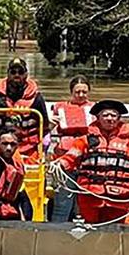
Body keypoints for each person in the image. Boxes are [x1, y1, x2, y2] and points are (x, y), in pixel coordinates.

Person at [51, 99, 129, 224]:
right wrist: (59, 164)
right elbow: (70, 158)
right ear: (98, 117)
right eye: (105, 115)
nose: (110, 119)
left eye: (113, 115)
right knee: (90, 232)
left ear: (119, 118)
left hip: (118, 201)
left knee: (116, 233)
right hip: (90, 199)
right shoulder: (85, 140)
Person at [0, 57, 50, 162]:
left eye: (20, 72)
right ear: (8, 74)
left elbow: (44, 125)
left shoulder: (36, 98)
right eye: (13, 72)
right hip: (0, 147)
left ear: (26, 74)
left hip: (28, 148)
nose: (17, 75)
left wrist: (44, 145)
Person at [49, 76, 94, 222]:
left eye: (84, 92)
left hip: (87, 161)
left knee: (84, 201)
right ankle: (56, 231)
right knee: (62, 201)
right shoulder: (59, 108)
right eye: (77, 92)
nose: (81, 95)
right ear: (71, 92)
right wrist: (50, 123)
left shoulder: (95, 109)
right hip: (64, 161)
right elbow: (44, 133)